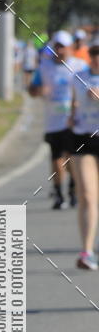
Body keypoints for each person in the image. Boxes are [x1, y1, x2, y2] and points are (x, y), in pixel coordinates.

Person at [29, 30, 87, 209]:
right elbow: (32, 89)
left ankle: (72, 190)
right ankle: (59, 194)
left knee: (72, 159)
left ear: (70, 48)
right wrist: (38, 91)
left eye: (63, 47)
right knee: (57, 159)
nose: (60, 51)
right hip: (53, 121)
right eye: (57, 47)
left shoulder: (79, 66)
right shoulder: (44, 67)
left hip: (74, 121)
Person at [70, 44, 99, 269]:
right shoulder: (78, 77)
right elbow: (73, 103)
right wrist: (72, 113)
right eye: (95, 55)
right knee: (87, 195)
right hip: (83, 138)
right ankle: (86, 252)